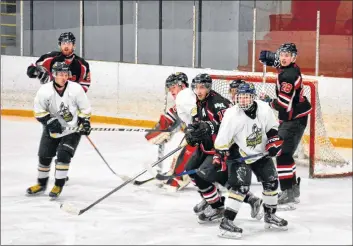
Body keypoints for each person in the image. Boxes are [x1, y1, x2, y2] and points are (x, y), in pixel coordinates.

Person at [184, 73, 263, 223]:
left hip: (218, 148)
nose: (199, 91)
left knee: (203, 176)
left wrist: (210, 127)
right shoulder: (198, 101)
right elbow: (198, 122)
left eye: (202, 87)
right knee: (192, 171)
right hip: (205, 147)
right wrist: (192, 134)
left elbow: (230, 126)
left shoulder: (218, 103)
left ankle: (217, 206)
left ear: (208, 88)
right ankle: (217, 199)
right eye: (196, 87)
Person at [214, 82, 288, 239]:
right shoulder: (231, 115)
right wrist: (220, 155)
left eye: (247, 97)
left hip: (261, 153)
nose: (243, 101)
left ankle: (269, 216)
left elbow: (272, 129)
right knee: (240, 187)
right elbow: (221, 142)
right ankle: (226, 223)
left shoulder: (264, 109)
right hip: (239, 154)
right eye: (240, 98)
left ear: (253, 98)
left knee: (272, 182)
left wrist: (274, 141)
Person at [26, 62, 92, 200]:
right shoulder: (44, 91)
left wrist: (84, 122)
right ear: (54, 75)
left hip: (72, 130)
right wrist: (49, 121)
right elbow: (38, 111)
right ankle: (41, 184)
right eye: (60, 74)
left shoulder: (76, 89)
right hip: (52, 129)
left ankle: (58, 185)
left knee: (63, 155)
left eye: (65, 74)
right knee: (44, 156)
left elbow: (85, 109)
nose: (63, 77)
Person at [259, 43, 312, 207]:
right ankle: (293, 189)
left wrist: (268, 101)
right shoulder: (290, 68)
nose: (283, 58)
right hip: (295, 117)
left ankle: (288, 192)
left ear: (294, 58)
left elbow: (284, 104)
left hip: (294, 119)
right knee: (286, 154)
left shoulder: (288, 76)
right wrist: (272, 61)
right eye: (281, 54)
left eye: (287, 55)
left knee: (282, 154)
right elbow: (281, 66)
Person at [145, 72, 196, 191]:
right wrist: (157, 132)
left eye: (173, 87)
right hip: (197, 135)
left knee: (184, 155)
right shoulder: (183, 98)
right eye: (170, 88)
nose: (171, 91)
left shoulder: (188, 97)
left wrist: (158, 132)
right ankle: (175, 174)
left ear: (182, 86)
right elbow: (170, 118)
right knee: (179, 154)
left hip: (209, 137)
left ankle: (177, 178)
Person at [26, 32, 91, 93]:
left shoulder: (83, 64)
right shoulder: (50, 58)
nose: (66, 46)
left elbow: (85, 85)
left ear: (74, 46)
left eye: (69, 43)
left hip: (71, 101)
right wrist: (37, 72)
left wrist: (72, 95)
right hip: (51, 98)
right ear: (59, 46)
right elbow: (31, 69)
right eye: (63, 43)